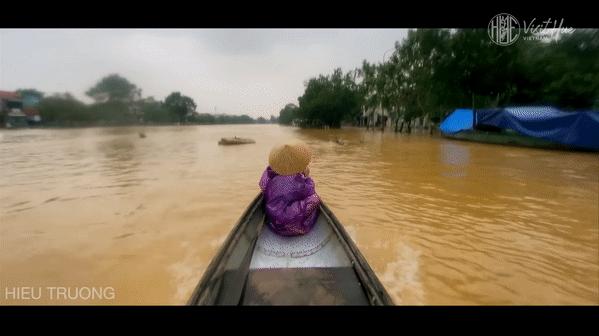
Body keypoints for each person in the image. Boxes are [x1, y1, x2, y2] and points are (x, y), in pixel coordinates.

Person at [258, 143, 320, 236]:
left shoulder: (270, 173)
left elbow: (263, 187)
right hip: (287, 221)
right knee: (315, 198)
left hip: (273, 219)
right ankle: (298, 227)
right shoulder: (297, 180)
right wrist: (306, 177)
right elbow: (310, 191)